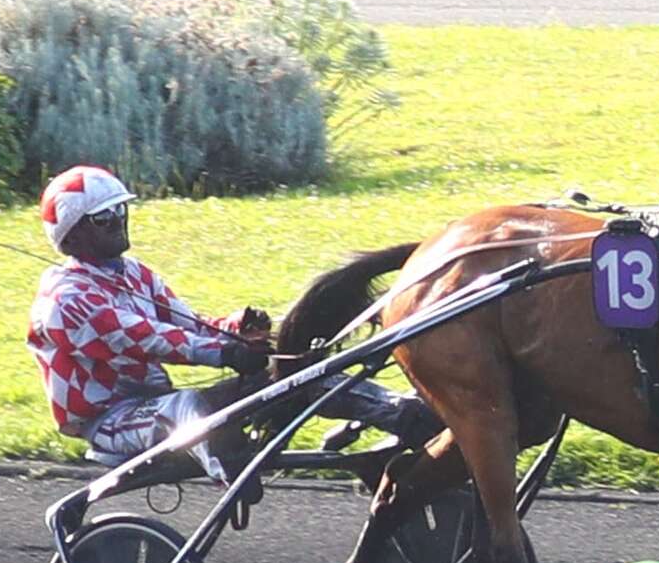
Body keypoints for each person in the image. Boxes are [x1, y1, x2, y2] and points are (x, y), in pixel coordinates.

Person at [28, 163, 421, 480]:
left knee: (294, 376)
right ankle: (224, 466)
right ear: (73, 235)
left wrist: (236, 329)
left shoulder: (134, 274)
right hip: (110, 423)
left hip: (153, 404)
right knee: (188, 406)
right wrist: (226, 354)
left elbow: (189, 324)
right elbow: (149, 339)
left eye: (121, 209)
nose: (119, 220)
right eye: (103, 218)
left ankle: (402, 413)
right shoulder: (66, 301)